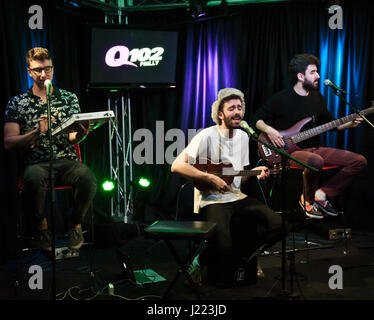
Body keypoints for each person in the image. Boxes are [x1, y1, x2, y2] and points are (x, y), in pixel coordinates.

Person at [171, 88, 286, 286]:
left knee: (279, 225)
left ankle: (245, 258)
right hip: (212, 199)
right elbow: (177, 165)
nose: (237, 112)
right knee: (223, 246)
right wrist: (210, 178)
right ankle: (200, 261)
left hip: (237, 197)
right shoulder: (206, 135)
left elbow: (236, 179)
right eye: (232, 108)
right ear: (221, 114)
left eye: (240, 108)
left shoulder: (243, 137)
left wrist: (254, 172)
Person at [252, 53, 367, 219]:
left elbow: (331, 124)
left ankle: (322, 194)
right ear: (300, 76)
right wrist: (269, 130)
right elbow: (256, 118)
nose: (318, 76)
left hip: (315, 149)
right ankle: (308, 200)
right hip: (289, 152)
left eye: (317, 72)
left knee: (358, 161)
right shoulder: (281, 99)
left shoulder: (317, 98)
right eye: (313, 72)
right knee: (315, 161)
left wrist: (350, 123)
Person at [4, 47, 97, 251]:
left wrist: (82, 133)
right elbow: (9, 142)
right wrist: (36, 132)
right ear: (29, 71)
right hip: (36, 163)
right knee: (32, 178)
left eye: (47, 69)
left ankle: (75, 222)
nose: (43, 74)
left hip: (66, 161)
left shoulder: (69, 98)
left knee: (88, 178)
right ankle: (41, 226)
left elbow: (73, 137)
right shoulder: (17, 103)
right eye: (38, 70)